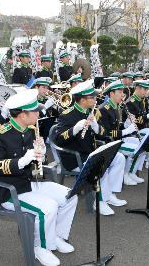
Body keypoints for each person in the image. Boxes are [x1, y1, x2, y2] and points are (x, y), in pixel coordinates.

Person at [0, 89, 77, 266]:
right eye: (34, 111)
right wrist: (21, 161)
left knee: (70, 195)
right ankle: (40, 247)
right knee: (48, 207)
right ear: (22, 115)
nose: (39, 113)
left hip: (31, 182)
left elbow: (36, 171)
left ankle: (55, 237)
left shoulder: (30, 129)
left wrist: (40, 156)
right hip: (11, 191)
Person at [54, 79, 126, 216]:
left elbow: (104, 134)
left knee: (119, 157)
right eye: (92, 97)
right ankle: (98, 202)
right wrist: (74, 130)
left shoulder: (90, 111)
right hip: (75, 157)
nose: (95, 99)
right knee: (101, 164)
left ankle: (109, 194)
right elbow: (58, 139)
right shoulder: (67, 115)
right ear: (82, 99)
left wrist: (96, 127)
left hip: (90, 153)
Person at [98, 80, 143, 186]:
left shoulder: (117, 106)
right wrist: (125, 131)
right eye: (119, 92)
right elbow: (105, 133)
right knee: (136, 149)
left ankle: (129, 172)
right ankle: (125, 174)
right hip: (109, 143)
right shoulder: (104, 109)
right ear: (112, 93)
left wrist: (127, 124)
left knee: (140, 142)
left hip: (118, 139)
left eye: (122, 91)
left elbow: (118, 125)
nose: (122, 95)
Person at [125, 79, 149, 171]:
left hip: (143, 128)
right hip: (134, 131)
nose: (146, 92)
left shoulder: (143, 100)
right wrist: (148, 116)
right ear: (137, 88)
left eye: (147, 89)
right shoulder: (131, 102)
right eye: (144, 90)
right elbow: (135, 121)